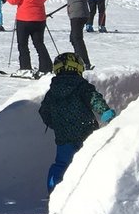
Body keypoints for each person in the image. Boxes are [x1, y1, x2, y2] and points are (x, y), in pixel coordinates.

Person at [39, 53, 115, 192]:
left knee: (62, 164)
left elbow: (44, 111)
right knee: (88, 161)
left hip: (63, 136)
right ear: (78, 68)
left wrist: (56, 124)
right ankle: (88, 191)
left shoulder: (52, 91)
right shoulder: (82, 86)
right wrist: (105, 112)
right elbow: (94, 99)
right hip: (85, 132)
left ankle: (54, 193)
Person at [5, 0, 52, 75]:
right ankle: (46, 67)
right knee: (39, 44)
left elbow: (13, 1)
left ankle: (25, 67)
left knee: (23, 44)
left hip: (24, 19)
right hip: (39, 19)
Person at [57, 0, 94, 70]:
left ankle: (84, 62)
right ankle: (80, 60)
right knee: (74, 38)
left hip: (77, 14)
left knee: (77, 39)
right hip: (82, 13)